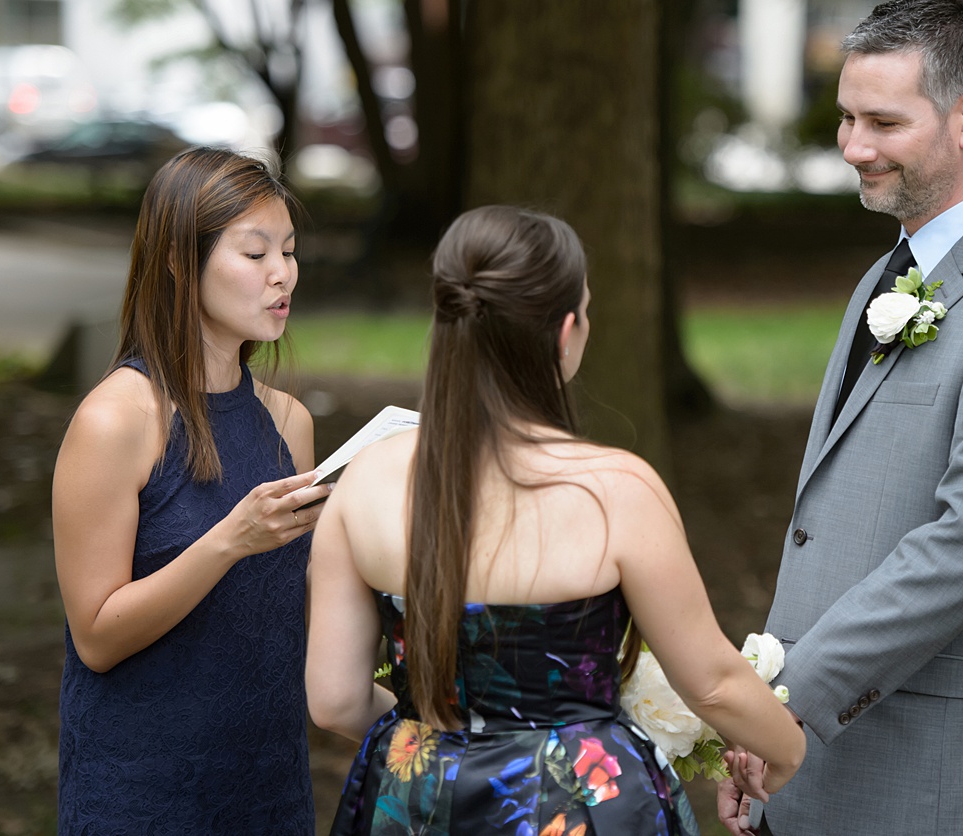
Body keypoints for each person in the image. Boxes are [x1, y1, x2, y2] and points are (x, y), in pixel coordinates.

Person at [718, 0, 963, 835]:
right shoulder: (888, 272)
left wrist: (784, 703)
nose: (854, 146)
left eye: (884, 124)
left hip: (919, 774)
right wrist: (766, 726)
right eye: (846, 119)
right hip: (813, 756)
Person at [305, 205, 807, 835]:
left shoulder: (365, 482)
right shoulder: (616, 489)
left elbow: (335, 700)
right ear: (566, 330)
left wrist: (437, 741)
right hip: (582, 805)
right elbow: (712, 684)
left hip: (416, 802)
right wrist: (786, 754)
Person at [53, 146, 334, 832]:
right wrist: (229, 541)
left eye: (289, 252)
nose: (281, 274)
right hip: (141, 794)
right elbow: (96, 636)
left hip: (269, 787)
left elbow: (292, 615)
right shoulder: (114, 420)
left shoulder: (288, 424)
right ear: (181, 262)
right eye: (255, 252)